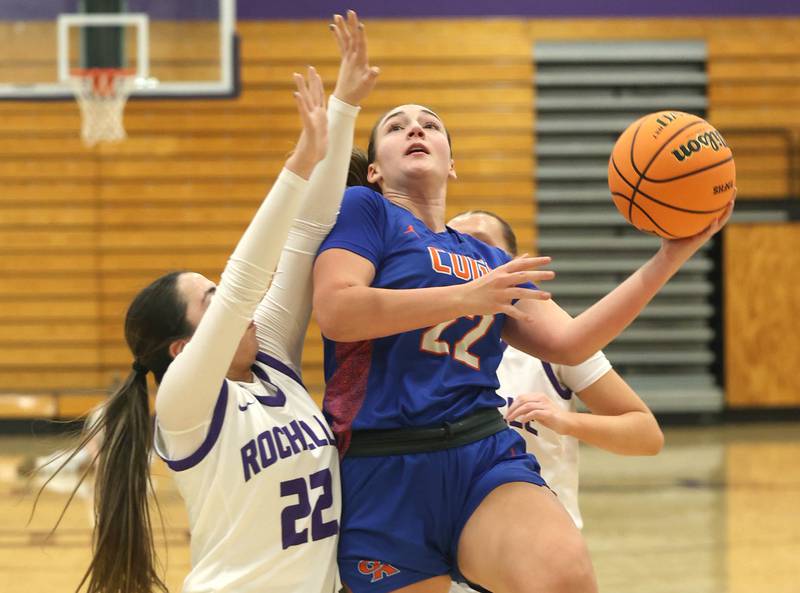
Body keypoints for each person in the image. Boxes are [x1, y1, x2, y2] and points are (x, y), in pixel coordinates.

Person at [314, 103, 732, 593]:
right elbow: (337, 311)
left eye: (430, 124)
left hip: (480, 452)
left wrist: (670, 256)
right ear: (375, 171)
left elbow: (572, 344)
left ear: (452, 163)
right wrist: (465, 297)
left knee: (565, 578)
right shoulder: (365, 211)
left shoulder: (489, 258)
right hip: (384, 463)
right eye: (396, 126)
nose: (415, 129)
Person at [37, 12, 379, 593]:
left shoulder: (272, 364)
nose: (230, 307)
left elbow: (307, 233)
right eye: (210, 301)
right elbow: (244, 282)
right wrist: (299, 162)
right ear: (183, 348)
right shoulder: (185, 405)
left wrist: (344, 107)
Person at [447, 209, 664, 530]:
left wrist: (566, 421)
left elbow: (646, 435)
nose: (466, 255)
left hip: (544, 537)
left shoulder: (554, 344)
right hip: (457, 539)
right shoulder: (424, 346)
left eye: (480, 244)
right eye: (454, 245)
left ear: (513, 264)